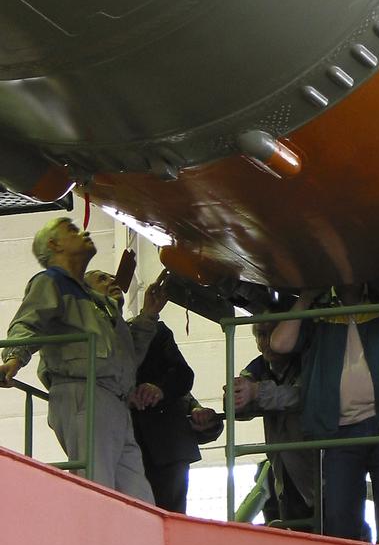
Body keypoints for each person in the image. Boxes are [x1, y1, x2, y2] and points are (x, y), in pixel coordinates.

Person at [0, 217, 167, 500]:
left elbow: (126, 355)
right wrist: (13, 359)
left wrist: (149, 315)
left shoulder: (99, 303)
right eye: (72, 230)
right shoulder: (50, 282)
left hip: (115, 400)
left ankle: (129, 543)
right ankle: (94, 542)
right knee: (97, 486)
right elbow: (29, 322)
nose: (84, 232)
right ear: (54, 245)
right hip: (83, 392)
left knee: (138, 498)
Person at [265, 285, 379, 545]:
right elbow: (279, 343)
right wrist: (306, 295)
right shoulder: (318, 314)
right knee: (341, 527)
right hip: (339, 434)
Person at [85, 269, 221, 513]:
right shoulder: (87, 341)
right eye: (102, 279)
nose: (113, 280)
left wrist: (159, 389)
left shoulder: (157, 332)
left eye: (112, 276)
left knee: (170, 519)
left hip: (166, 444)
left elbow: (183, 375)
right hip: (124, 443)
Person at [232, 316, 319, 526]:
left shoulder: (309, 363)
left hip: (317, 465)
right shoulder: (257, 369)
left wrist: (256, 392)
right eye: (261, 335)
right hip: (284, 469)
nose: (266, 342)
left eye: (272, 334)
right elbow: (241, 407)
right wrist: (236, 398)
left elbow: (301, 396)